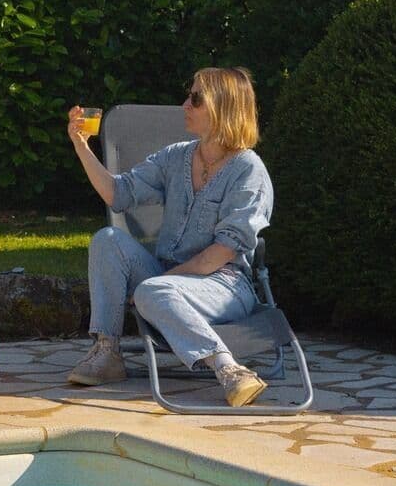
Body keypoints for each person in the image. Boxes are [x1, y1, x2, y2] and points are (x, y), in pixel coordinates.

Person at [66, 67, 274, 407]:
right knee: (108, 239)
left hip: (223, 285)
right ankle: (107, 353)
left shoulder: (249, 171)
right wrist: (81, 146)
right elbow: (117, 194)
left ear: (224, 107)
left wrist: (160, 284)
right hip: (166, 280)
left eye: (195, 99)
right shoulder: (176, 156)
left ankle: (229, 370)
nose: (184, 105)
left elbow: (221, 253)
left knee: (153, 290)